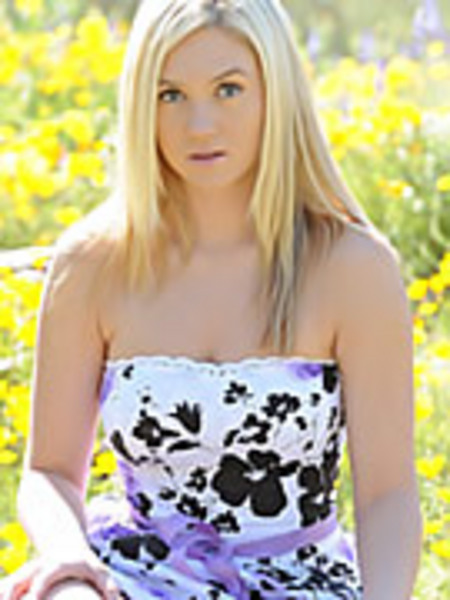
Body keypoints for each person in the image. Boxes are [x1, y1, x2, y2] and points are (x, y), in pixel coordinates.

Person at [0, 0, 422, 598]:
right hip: (132, 576)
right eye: (170, 95)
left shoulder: (354, 269)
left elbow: (388, 495)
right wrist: (69, 559)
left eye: (228, 90)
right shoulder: (92, 263)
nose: (199, 125)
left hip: (300, 583)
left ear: (275, 93)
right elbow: (49, 473)